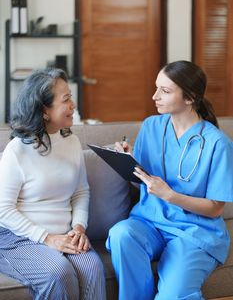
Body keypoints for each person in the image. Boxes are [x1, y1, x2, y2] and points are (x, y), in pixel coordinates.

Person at [106, 60, 233, 300]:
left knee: (172, 296)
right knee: (121, 234)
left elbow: (215, 209)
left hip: (194, 231)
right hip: (149, 222)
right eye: (156, 88)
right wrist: (128, 161)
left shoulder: (218, 144)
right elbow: (143, 183)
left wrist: (170, 196)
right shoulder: (151, 126)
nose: (155, 96)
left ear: (190, 97)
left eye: (165, 91)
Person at [0, 68, 106, 300]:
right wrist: (47, 238)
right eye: (66, 99)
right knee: (59, 272)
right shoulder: (17, 150)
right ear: (44, 110)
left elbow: (80, 191)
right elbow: (3, 209)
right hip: (19, 239)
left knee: (93, 268)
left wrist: (78, 228)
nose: (74, 105)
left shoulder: (71, 142)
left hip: (65, 233)